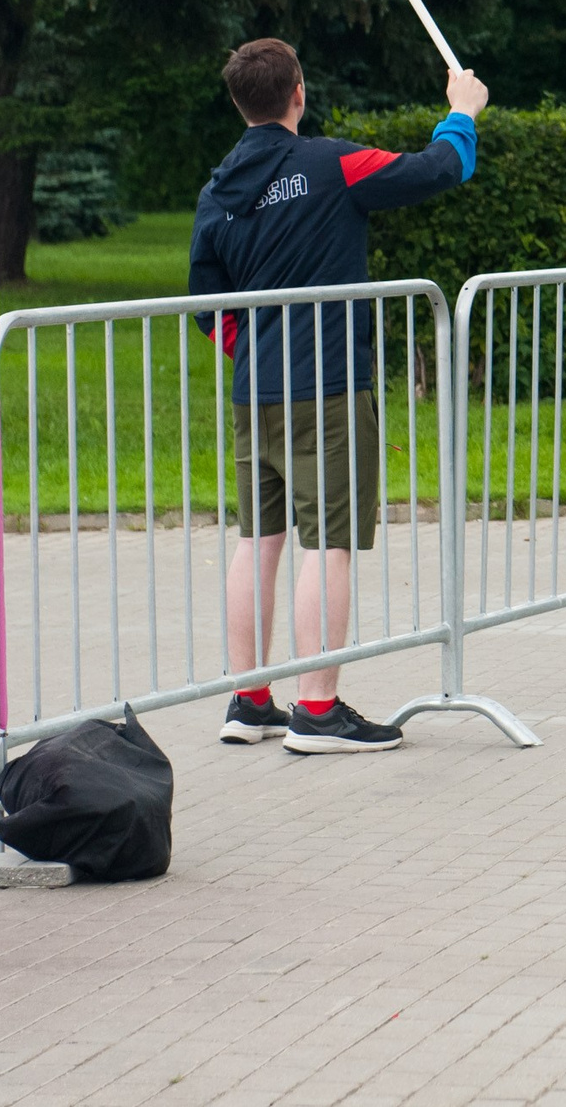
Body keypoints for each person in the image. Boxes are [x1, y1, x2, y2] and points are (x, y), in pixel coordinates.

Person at [190, 39, 487, 753]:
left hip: (254, 393)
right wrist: (462, 110)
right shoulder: (332, 164)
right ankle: (318, 712)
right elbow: (440, 168)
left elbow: (206, 305)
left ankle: (250, 701)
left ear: (240, 103)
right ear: (298, 92)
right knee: (329, 542)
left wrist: (253, 352)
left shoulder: (216, 191)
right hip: (325, 389)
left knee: (257, 540)